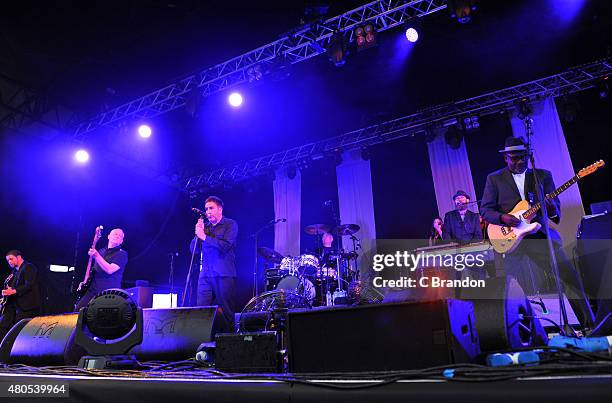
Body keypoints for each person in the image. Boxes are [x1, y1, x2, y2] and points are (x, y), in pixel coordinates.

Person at [480, 136, 594, 329]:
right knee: (510, 289)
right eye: (514, 158)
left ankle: (591, 326)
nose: (520, 162)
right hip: (510, 240)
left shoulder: (542, 176)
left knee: (570, 278)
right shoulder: (494, 179)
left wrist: (550, 208)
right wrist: (503, 218)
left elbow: (555, 212)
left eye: (523, 157)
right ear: (505, 158)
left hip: (540, 237)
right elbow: (485, 210)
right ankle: (517, 333)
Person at [191, 196, 238, 330]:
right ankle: (202, 345)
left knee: (228, 313)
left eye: (211, 208)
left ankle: (230, 344)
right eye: (206, 209)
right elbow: (193, 250)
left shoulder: (230, 224)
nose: (208, 211)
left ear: (220, 209)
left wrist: (204, 237)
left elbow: (225, 246)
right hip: (205, 275)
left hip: (224, 274)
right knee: (201, 311)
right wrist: (197, 234)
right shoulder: (205, 228)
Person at [75, 228, 128, 311]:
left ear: (121, 241)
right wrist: (85, 282)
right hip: (92, 291)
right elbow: (94, 270)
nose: (117, 236)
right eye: (115, 234)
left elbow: (110, 270)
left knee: (98, 319)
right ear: (108, 236)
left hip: (108, 294)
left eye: (120, 236)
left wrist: (96, 255)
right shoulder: (101, 251)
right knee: (77, 313)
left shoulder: (122, 254)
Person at [0, 250, 41, 342]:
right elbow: (14, 288)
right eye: (8, 260)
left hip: (27, 306)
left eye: (11, 259)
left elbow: (29, 285)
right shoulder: (15, 271)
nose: (9, 262)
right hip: (17, 307)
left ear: (19, 257)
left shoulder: (29, 267)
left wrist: (13, 291)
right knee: (5, 325)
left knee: (20, 331)